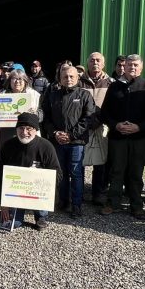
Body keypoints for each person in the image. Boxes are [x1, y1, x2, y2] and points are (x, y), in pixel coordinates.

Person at [99, 54, 145, 218]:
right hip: (118, 137)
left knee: (136, 172)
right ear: (123, 67)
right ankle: (113, 203)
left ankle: (136, 205)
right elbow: (105, 112)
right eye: (129, 65)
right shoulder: (114, 87)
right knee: (116, 170)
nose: (132, 67)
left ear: (141, 68)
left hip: (140, 138)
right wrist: (115, 125)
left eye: (136, 65)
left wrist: (139, 127)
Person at [40, 64, 96, 217]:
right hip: (57, 141)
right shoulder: (52, 95)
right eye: (65, 76)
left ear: (78, 78)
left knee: (76, 173)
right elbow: (45, 118)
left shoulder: (85, 95)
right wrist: (54, 133)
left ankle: (76, 205)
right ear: (60, 78)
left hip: (76, 143)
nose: (68, 79)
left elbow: (88, 119)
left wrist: (71, 135)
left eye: (72, 76)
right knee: (61, 173)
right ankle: (63, 201)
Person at [0, 112, 62, 230]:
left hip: (38, 192)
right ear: (16, 129)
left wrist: (43, 180)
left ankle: (41, 216)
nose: (24, 132)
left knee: (43, 188)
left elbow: (58, 173)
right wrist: (3, 202)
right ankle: (16, 214)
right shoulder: (8, 146)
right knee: (14, 224)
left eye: (29, 129)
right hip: (15, 193)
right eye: (21, 128)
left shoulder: (46, 147)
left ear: (36, 130)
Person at [80, 51, 113, 205]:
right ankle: (78, 193)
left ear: (103, 63)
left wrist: (101, 119)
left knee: (100, 162)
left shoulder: (111, 83)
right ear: (88, 63)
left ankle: (98, 193)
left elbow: (113, 106)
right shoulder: (79, 82)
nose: (95, 63)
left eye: (98, 60)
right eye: (92, 60)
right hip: (82, 127)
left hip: (102, 127)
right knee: (79, 161)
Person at [0, 68, 42, 157]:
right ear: (9, 81)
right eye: (14, 78)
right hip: (7, 134)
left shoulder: (34, 95)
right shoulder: (2, 95)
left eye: (20, 79)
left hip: (26, 134)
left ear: (25, 81)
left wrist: (36, 114)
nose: (17, 81)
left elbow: (41, 114)